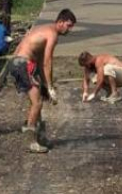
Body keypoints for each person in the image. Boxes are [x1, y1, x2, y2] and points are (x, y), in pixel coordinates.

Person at [10, 8, 77, 153]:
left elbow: (39, 61)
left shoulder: (41, 29)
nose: (69, 29)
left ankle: (40, 136)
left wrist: (46, 85)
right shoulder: (52, 34)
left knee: (38, 98)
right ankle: (31, 141)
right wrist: (51, 87)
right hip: (23, 64)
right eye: (68, 25)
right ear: (60, 22)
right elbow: (47, 61)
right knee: (37, 102)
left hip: (18, 63)